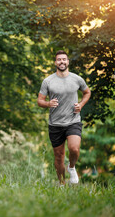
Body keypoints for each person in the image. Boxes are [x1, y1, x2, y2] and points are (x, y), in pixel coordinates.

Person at [37, 50, 91, 185]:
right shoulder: (48, 81)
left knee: (74, 148)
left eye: (64, 59)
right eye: (59, 59)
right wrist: (48, 103)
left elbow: (87, 92)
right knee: (59, 156)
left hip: (73, 121)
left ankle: (72, 167)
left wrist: (81, 104)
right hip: (55, 124)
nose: (62, 61)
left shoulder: (77, 79)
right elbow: (40, 101)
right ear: (55, 62)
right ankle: (61, 183)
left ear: (68, 62)